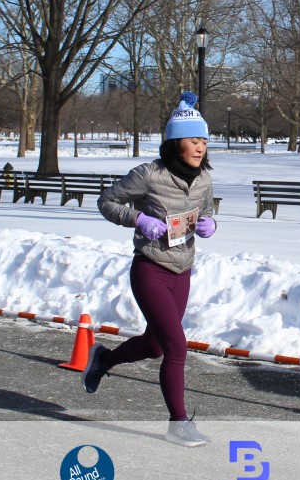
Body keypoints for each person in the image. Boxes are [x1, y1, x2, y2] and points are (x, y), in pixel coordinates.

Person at [85, 91, 217, 447]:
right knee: (176, 346)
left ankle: (104, 359)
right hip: (151, 269)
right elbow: (107, 201)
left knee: (157, 345)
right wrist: (139, 219)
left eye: (204, 141)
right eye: (193, 140)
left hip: (182, 270)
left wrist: (210, 224)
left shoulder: (204, 180)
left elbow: (205, 211)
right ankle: (178, 424)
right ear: (175, 143)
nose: (200, 147)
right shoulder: (149, 174)